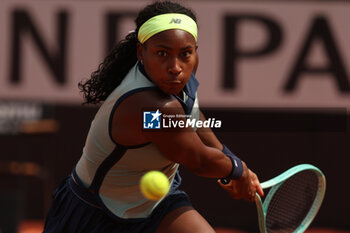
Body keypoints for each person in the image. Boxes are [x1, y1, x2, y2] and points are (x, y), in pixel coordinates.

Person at [42, 1, 264, 233]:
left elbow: (194, 117)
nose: (175, 67)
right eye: (162, 54)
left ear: (195, 52)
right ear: (141, 52)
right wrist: (238, 170)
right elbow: (198, 159)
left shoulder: (177, 79)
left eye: (185, 53)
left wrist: (229, 159)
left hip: (158, 205)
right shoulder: (149, 106)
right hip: (94, 214)